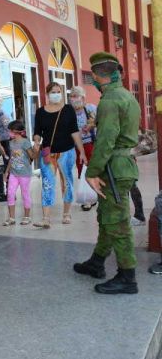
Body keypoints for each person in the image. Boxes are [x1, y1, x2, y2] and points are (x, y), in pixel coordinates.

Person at [74, 52, 140, 294]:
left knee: (118, 223)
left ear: (95, 75)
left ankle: (127, 277)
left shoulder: (110, 100)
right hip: (121, 166)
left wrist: (92, 172)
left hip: (114, 168)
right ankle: (97, 262)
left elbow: (105, 141)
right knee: (107, 217)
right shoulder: (126, 96)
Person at [32, 82, 87, 228]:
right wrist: (37, 141)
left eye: (58, 91)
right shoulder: (40, 112)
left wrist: (81, 151)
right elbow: (37, 131)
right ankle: (46, 218)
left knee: (67, 182)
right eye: (53, 92)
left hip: (67, 152)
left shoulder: (68, 109)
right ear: (47, 94)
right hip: (48, 153)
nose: (56, 94)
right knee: (47, 184)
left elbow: (74, 131)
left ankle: (66, 213)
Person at [118, 65, 146, 226]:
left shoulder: (125, 97)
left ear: (122, 74)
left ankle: (139, 215)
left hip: (126, 148)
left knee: (129, 183)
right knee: (126, 183)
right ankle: (129, 215)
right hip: (123, 147)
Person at [69, 86, 98, 211]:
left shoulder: (90, 108)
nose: (74, 99)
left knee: (93, 169)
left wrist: (91, 126)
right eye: (72, 96)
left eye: (76, 96)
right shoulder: (69, 112)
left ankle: (95, 195)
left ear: (83, 97)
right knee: (82, 170)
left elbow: (99, 121)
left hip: (91, 144)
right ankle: (87, 198)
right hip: (76, 146)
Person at [2, 120, 35, 226]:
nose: (9, 133)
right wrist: (6, 172)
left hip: (24, 173)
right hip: (13, 173)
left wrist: (36, 149)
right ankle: (11, 218)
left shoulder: (25, 142)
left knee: (25, 194)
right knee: (10, 193)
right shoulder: (11, 143)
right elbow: (11, 158)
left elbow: (32, 156)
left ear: (16, 131)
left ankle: (27, 216)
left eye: (10, 131)